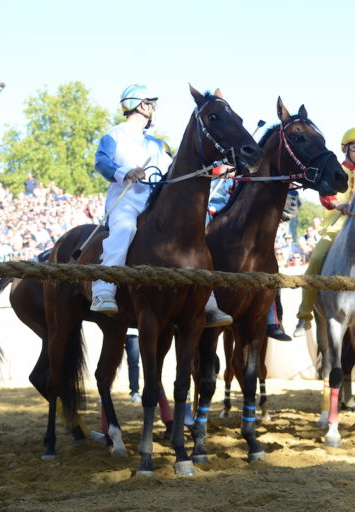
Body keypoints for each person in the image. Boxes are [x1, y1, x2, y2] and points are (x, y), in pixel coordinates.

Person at [89, 83, 232, 327]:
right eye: (152, 104)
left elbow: (175, 171)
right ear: (142, 105)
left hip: (154, 202)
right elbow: (101, 163)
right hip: (126, 200)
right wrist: (125, 172)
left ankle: (207, 300)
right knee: (125, 229)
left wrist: (217, 170)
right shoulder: (113, 135)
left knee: (193, 237)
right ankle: (103, 290)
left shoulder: (156, 144)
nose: (154, 109)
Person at [293, 127, 355, 336]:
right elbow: (325, 194)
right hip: (336, 227)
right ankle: (304, 316)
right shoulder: (334, 169)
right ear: (345, 149)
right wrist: (339, 205)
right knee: (316, 260)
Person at [125, 330, 141, 404]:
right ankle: (106, 390)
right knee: (111, 362)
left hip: (133, 333)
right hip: (117, 330)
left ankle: (134, 392)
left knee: (134, 363)